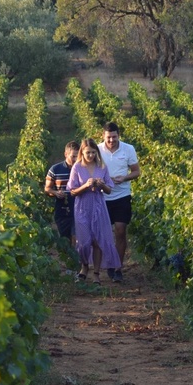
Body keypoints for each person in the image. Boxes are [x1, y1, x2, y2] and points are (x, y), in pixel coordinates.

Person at [68, 137, 121, 285]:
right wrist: (85, 186)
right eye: (87, 153)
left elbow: (109, 190)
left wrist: (102, 185)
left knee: (98, 240)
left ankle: (96, 273)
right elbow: (72, 191)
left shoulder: (102, 167)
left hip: (98, 207)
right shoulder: (77, 167)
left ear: (96, 152)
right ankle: (84, 267)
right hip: (82, 208)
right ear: (82, 153)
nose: (90, 155)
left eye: (93, 152)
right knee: (84, 241)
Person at [98, 121, 140, 283]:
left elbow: (136, 171)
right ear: (103, 136)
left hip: (122, 195)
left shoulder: (128, 149)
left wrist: (124, 178)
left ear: (118, 136)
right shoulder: (98, 150)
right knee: (105, 233)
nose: (111, 140)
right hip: (102, 197)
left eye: (114, 137)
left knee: (121, 231)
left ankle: (118, 267)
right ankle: (108, 262)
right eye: (108, 137)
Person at [45, 140, 80, 247]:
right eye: (73, 156)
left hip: (79, 206)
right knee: (65, 239)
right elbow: (47, 189)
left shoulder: (82, 169)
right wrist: (55, 193)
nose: (75, 160)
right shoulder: (55, 169)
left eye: (77, 156)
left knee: (76, 236)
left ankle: (79, 261)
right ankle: (71, 261)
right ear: (65, 154)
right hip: (62, 209)